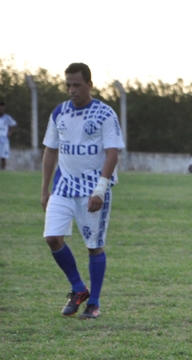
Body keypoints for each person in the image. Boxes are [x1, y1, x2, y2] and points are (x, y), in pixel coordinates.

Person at [40, 63, 125, 319]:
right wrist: (44, 189)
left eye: (77, 85)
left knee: (93, 246)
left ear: (89, 85)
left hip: (93, 189)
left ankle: (94, 303)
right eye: (68, 85)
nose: (72, 90)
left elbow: (112, 153)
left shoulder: (104, 113)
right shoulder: (59, 112)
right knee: (52, 238)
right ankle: (78, 288)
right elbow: (50, 150)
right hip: (63, 186)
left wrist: (100, 189)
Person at [0, 101, 18, 170]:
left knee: (3, 156)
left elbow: (14, 125)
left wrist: (10, 132)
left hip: (4, 140)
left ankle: (3, 170)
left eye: (2, 109)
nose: (1, 110)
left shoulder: (7, 118)